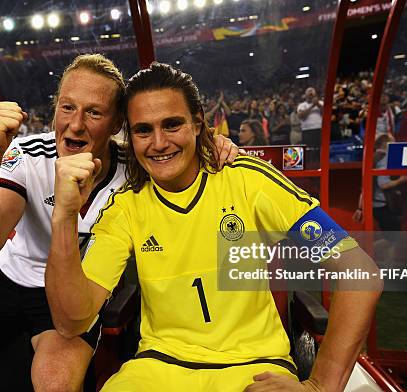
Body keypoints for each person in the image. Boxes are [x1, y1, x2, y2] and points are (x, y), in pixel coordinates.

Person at [0, 54, 239, 392]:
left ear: (116, 123)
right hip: (8, 278)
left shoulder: (135, 167)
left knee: (56, 386)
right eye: (67, 108)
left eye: (94, 112)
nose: (75, 125)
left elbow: (180, 160)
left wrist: (212, 145)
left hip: (78, 289)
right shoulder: (28, 153)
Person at [47, 63, 382, 391]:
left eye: (172, 124)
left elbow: (359, 270)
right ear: (130, 136)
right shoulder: (124, 208)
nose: (159, 142)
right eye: (144, 130)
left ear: (197, 123)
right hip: (158, 369)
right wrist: (64, 215)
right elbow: (72, 320)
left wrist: (320, 385)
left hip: (255, 369)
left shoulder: (250, 181)